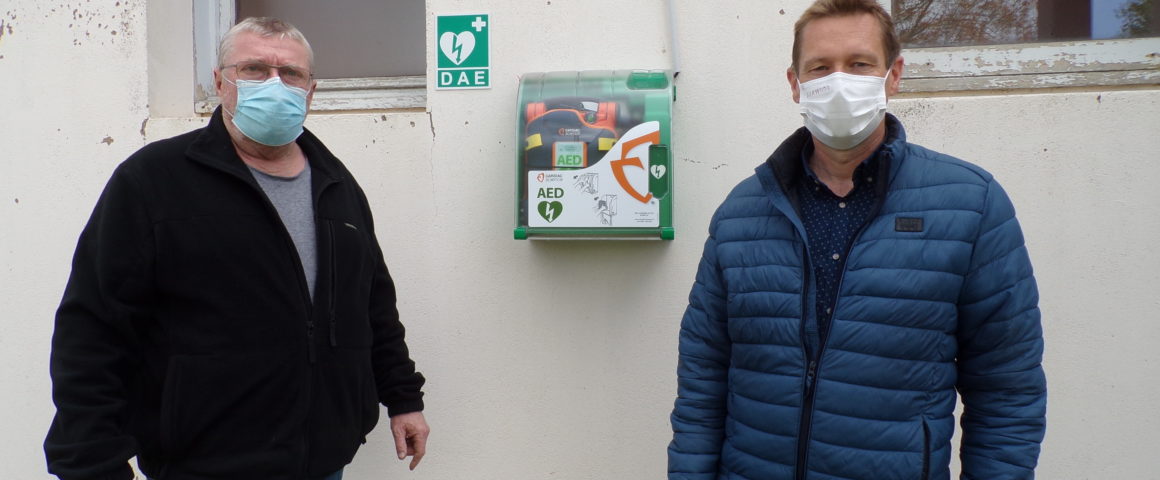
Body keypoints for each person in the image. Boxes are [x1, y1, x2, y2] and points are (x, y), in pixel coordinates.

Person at [668, 1, 1046, 479]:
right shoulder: (742, 213)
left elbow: (1007, 391)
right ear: (795, 83)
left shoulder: (970, 206)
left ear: (893, 75)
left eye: (859, 64)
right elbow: (702, 384)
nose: (839, 81)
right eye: (820, 68)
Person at [45, 17, 429, 480]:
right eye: (254, 69)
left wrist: (403, 398)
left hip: (323, 461)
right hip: (203, 463)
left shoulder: (337, 185)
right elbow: (94, 327)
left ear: (310, 91)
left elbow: (373, 305)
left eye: (291, 74)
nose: (274, 84)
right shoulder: (154, 180)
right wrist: (90, 461)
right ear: (220, 82)